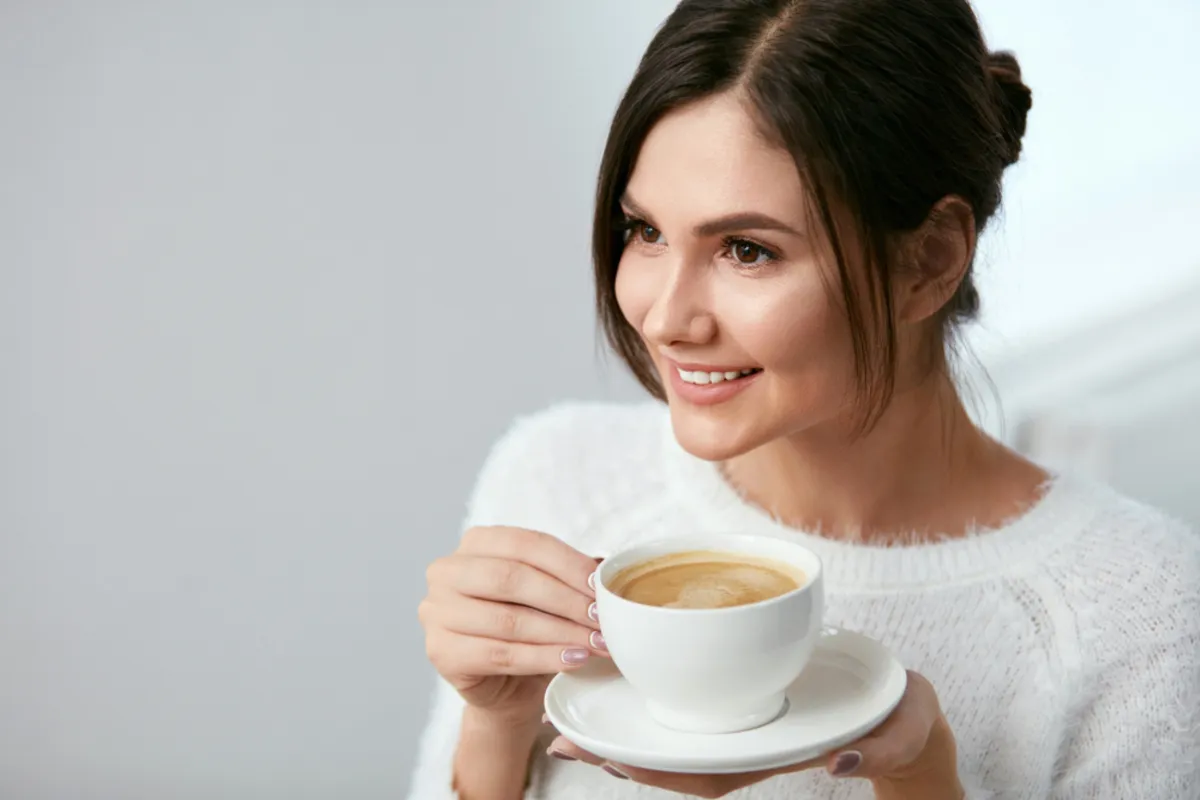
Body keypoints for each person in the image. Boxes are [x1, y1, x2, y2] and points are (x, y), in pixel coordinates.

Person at [409, 0, 1200, 797]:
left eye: (746, 250)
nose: (666, 316)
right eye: (645, 231)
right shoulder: (555, 486)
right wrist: (498, 725)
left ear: (929, 259)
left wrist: (921, 779)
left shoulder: (1138, 619)